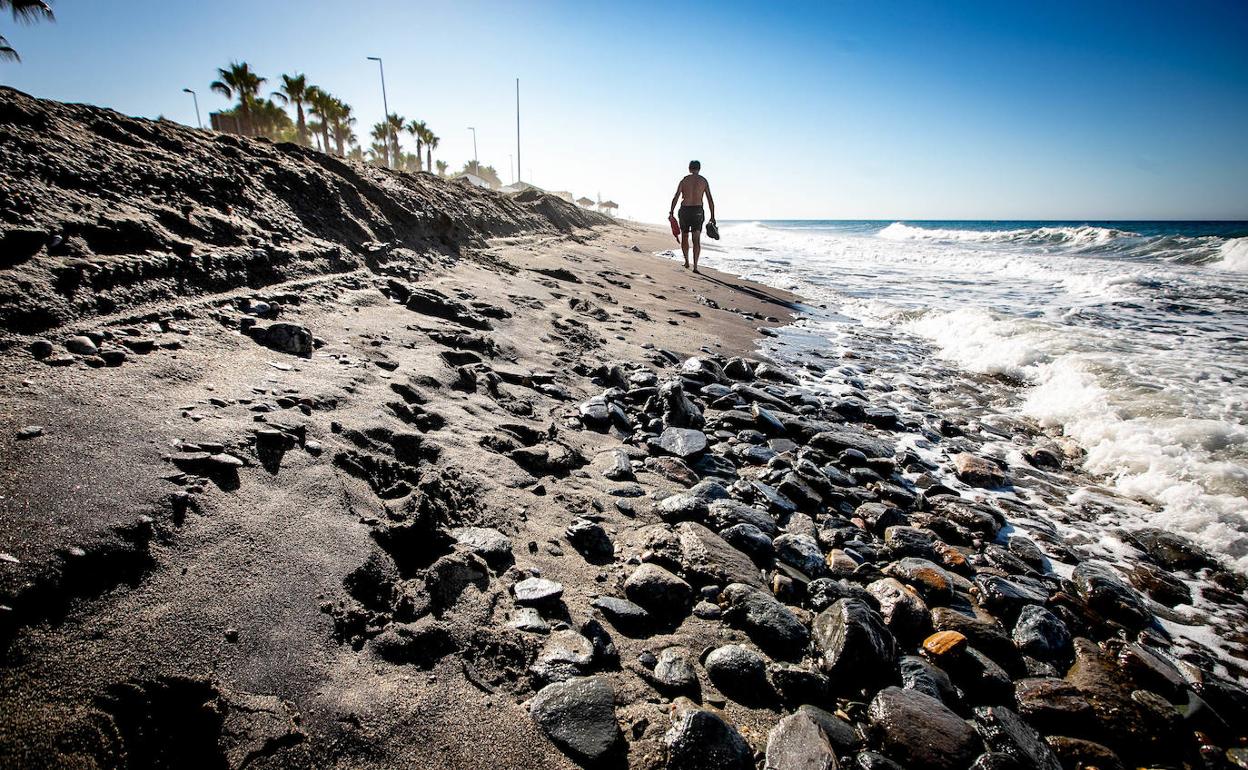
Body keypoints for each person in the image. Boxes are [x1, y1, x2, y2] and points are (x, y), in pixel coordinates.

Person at [669, 160, 715, 273]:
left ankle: (686, 262)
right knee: (696, 239)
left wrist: (671, 211)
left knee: (685, 236)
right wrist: (712, 216)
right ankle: (695, 266)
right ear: (699, 169)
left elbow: (676, 196)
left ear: (689, 168)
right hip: (697, 211)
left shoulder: (684, 180)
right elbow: (710, 199)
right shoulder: (703, 181)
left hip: (685, 210)